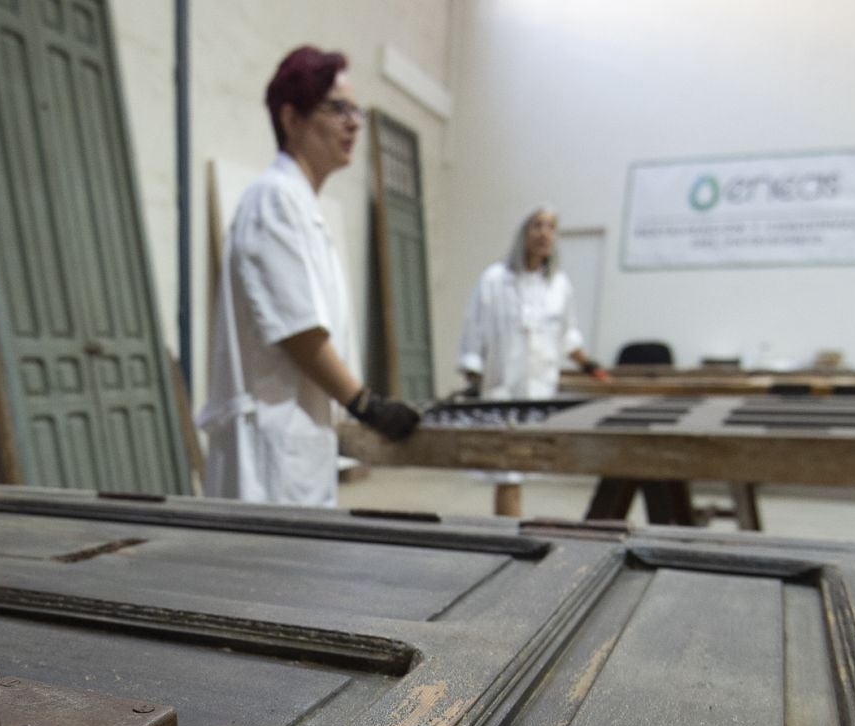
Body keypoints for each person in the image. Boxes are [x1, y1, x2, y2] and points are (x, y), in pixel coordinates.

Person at [199, 46, 420, 506]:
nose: (354, 122)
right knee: (267, 573)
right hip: (270, 449)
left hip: (297, 439)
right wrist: (367, 405)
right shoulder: (273, 201)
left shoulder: (301, 206)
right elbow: (299, 331)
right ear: (292, 118)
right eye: (337, 108)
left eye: (355, 109)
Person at [457, 206, 609, 399]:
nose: (544, 233)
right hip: (499, 392)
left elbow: (567, 336)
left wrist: (590, 366)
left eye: (551, 227)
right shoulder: (493, 280)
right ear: (523, 233)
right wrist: (473, 375)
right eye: (537, 225)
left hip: (542, 391)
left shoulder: (559, 285)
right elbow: (473, 333)